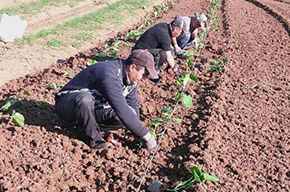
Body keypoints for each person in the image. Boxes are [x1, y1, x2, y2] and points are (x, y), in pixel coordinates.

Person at [54, 49, 158, 151]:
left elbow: (132, 105)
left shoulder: (131, 80)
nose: (144, 79)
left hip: (93, 109)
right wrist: (147, 137)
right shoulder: (110, 74)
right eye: (144, 74)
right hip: (67, 105)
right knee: (84, 99)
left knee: (128, 114)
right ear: (132, 67)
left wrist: (137, 134)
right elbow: (121, 108)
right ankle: (94, 140)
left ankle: (88, 126)